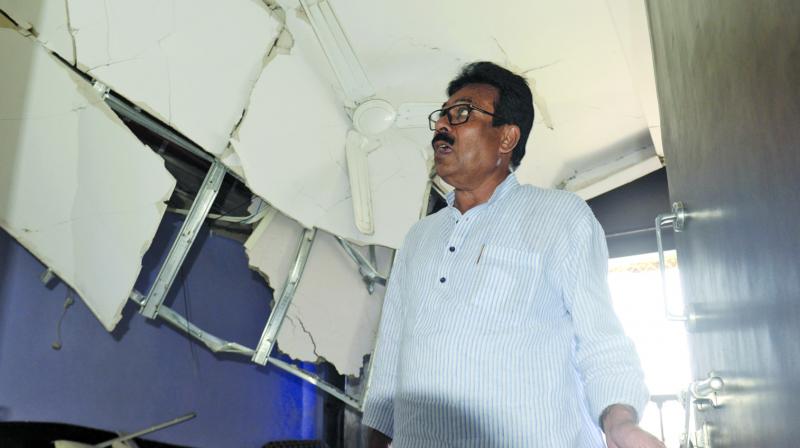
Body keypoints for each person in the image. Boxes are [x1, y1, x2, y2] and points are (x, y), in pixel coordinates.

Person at [362, 61, 665, 448]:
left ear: (506, 138)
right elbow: (390, 358)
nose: (442, 126)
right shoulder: (418, 238)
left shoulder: (559, 216)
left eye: (462, 114)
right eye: (442, 116)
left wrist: (619, 423)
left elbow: (600, 339)